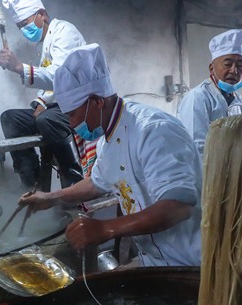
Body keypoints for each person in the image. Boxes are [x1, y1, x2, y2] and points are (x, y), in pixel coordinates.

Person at [19, 43, 202, 268]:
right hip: (154, 262)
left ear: (97, 101)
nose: (72, 123)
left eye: (73, 114)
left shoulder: (153, 131)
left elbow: (178, 206)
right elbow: (96, 184)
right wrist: (50, 198)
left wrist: (106, 228)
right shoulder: (106, 143)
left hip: (193, 262)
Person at [0, 0, 85, 190]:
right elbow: (49, 82)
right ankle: (32, 183)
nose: (24, 30)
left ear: (42, 14)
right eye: (20, 27)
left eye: (26, 23)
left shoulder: (65, 32)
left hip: (76, 105)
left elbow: (60, 76)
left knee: (47, 119)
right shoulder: (45, 43)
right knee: (10, 118)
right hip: (57, 105)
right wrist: (39, 101)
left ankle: (75, 181)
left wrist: (20, 67)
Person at [177, 28, 242, 158]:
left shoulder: (240, 102)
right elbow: (196, 150)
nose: (234, 71)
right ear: (211, 68)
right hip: (206, 174)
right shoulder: (198, 97)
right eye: (228, 64)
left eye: (239, 65)